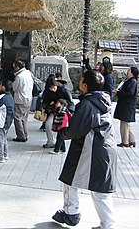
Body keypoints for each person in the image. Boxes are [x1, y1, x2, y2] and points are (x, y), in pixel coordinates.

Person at [52, 70, 117, 229]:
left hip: (90, 150)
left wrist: (62, 133)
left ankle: (71, 213)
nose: (79, 81)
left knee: (70, 179)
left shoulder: (87, 103)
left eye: (81, 79)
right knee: (99, 189)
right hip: (104, 148)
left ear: (85, 85)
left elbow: (76, 129)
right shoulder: (102, 101)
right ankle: (106, 224)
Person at [42, 75, 74, 148]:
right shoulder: (47, 91)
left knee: (60, 127)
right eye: (50, 88)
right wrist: (48, 104)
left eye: (54, 87)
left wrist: (60, 102)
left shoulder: (63, 89)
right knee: (48, 124)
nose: (52, 89)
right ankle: (50, 142)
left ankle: (60, 146)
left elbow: (70, 102)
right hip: (53, 110)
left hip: (64, 110)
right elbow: (45, 100)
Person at [114, 66, 138, 147]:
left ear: (132, 72)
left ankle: (125, 142)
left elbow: (129, 93)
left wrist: (119, 93)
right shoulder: (130, 81)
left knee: (124, 123)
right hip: (127, 105)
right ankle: (131, 140)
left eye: (129, 70)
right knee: (126, 124)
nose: (127, 71)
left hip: (127, 105)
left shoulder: (132, 81)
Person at [0, 80, 15, 163]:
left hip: (1, 121)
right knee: (4, 138)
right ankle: (5, 154)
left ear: (3, 87)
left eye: (0, 85)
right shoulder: (11, 97)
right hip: (8, 121)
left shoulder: (3, 97)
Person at [12, 60, 33, 142]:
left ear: (17, 67)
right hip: (28, 98)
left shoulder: (19, 77)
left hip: (20, 99)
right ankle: (25, 134)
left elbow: (14, 88)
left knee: (17, 118)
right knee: (24, 118)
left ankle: (21, 136)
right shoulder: (28, 73)